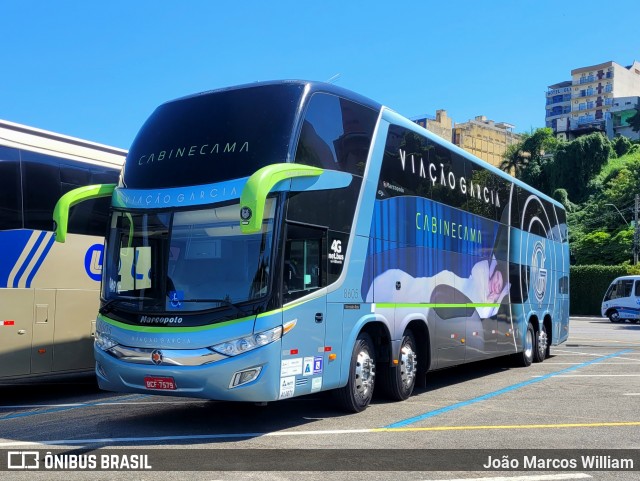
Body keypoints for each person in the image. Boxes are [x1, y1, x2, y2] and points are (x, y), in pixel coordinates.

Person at [365, 256, 509, 318]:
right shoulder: (481, 272)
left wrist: (495, 297)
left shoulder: (490, 303)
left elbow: (482, 314)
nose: (496, 285)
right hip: (446, 282)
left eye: (499, 286)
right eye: (497, 278)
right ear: (491, 273)